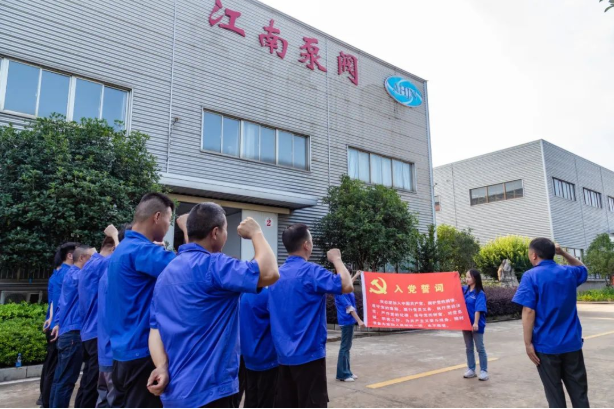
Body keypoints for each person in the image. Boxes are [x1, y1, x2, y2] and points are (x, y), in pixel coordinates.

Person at [147, 202, 279, 408]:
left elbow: (155, 330)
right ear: (215, 233)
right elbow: (270, 272)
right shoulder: (215, 265)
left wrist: (162, 366)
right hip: (211, 392)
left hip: (175, 392)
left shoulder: (166, 274)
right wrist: (257, 233)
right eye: (225, 230)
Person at [106, 192, 186, 408]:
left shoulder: (123, 248)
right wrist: (188, 230)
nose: (169, 226)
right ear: (157, 217)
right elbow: (187, 268)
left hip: (121, 352)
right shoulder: (142, 251)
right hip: (141, 352)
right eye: (169, 220)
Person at [268, 223, 353, 408]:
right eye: (312, 241)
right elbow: (347, 285)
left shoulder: (276, 276)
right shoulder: (311, 271)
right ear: (306, 245)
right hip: (309, 357)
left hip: (282, 357)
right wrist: (337, 259)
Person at [513, 239, 589, 408]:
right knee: (579, 393)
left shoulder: (531, 276)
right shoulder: (568, 272)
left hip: (546, 346)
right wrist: (563, 253)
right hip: (572, 343)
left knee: (555, 395)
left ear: (534, 255)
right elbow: (583, 269)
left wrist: (527, 343)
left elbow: (528, 311)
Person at [77, 226, 120, 407]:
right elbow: (123, 259)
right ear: (112, 248)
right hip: (97, 333)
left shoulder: (89, 265)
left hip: (88, 332)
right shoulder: (103, 264)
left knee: (87, 382)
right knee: (94, 386)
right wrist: (116, 236)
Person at [50, 244, 96, 408]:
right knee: (66, 382)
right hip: (73, 335)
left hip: (67, 332)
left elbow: (61, 304)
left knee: (60, 380)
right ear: (82, 258)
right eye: (92, 257)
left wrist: (57, 323)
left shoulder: (69, 274)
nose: (95, 261)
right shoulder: (78, 275)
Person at [97, 224, 131, 408]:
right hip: (116, 352)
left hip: (106, 348)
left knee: (105, 399)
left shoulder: (107, 270)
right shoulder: (116, 270)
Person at [40, 242, 77, 408]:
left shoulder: (58, 272)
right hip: (60, 325)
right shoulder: (67, 273)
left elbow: (54, 301)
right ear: (70, 255)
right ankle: (46, 401)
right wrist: (55, 321)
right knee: (56, 369)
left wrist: (51, 319)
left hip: (55, 323)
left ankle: (45, 400)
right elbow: (58, 300)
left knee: (51, 366)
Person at [240, 288, 279, 408]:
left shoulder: (244, 295)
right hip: (267, 358)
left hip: (249, 357)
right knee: (266, 400)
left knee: (251, 398)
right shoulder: (268, 295)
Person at [334, 269, 365, 382]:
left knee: (347, 348)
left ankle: (347, 372)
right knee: (344, 348)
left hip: (348, 321)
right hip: (346, 321)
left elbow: (349, 283)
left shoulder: (343, 287)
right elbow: (349, 308)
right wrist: (359, 321)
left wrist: (356, 275)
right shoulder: (340, 290)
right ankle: (343, 374)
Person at [461, 269, 489, 381]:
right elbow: (453, 288)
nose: (466, 279)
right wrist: (454, 276)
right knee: (469, 348)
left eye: (469, 277)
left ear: (475, 278)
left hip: (476, 325)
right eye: (466, 277)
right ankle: (471, 369)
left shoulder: (480, 293)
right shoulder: (465, 290)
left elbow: (478, 309)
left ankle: (484, 371)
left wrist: (476, 323)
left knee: (480, 348)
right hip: (465, 324)